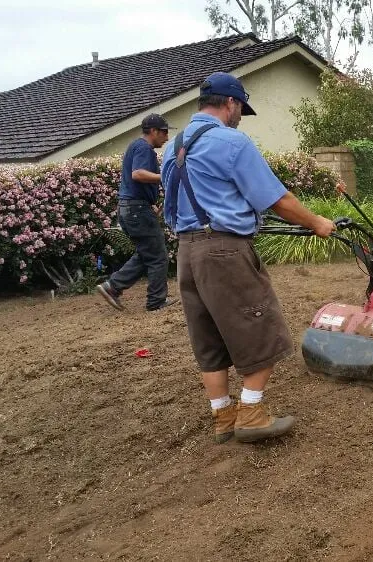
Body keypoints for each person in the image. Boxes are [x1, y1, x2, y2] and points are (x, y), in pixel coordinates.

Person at [160, 72, 335, 444]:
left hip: (187, 252)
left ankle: (223, 417)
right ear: (231, 103)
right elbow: (277, 199)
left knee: (208, 336)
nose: (240, 116)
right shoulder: (231, 142)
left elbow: (175, 205)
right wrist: (317, 222)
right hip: (224, 251)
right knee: (262, 328)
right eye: (241, 107)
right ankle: (252, 414)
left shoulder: (173, 147)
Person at [97, 113, 178, 312]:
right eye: (164, 132)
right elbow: (138, 174)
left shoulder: (136, 146)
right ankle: (156, 301)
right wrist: (166, 176)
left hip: (131, 208)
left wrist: (150, 202)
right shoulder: (144, 148)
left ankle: (112, 287)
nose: (167, 137)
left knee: (148, 252)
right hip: (136, 209)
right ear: (153, 131)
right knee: (158, 255)